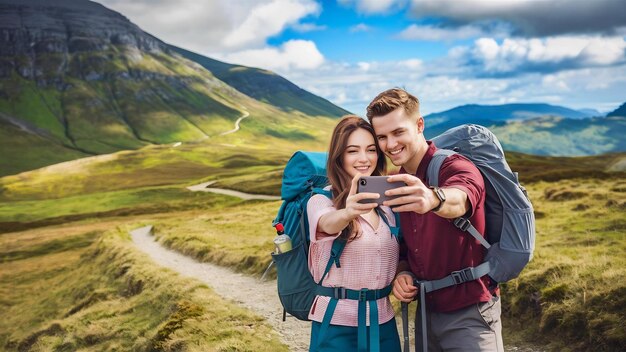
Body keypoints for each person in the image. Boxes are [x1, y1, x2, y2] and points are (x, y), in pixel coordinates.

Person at [366, 88, 503, 351]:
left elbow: (463, 196)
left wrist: (433, 199)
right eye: (382, 137)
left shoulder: (455, 166)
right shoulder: (398, 180)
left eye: (398, 132)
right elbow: (404, 245)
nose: (390, 144)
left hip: (471, 312)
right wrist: (402, 272)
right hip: (426, 312)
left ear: (419, 125)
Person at [307, 115, 402, 352]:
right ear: (339, 157)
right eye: (353, 151)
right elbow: (327, 224)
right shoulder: (320, 200)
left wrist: (405, 273)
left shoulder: (389, 206)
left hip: (383, 321)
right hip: (335, 322)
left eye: (371, 149)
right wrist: (348, 212)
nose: (364, 159)